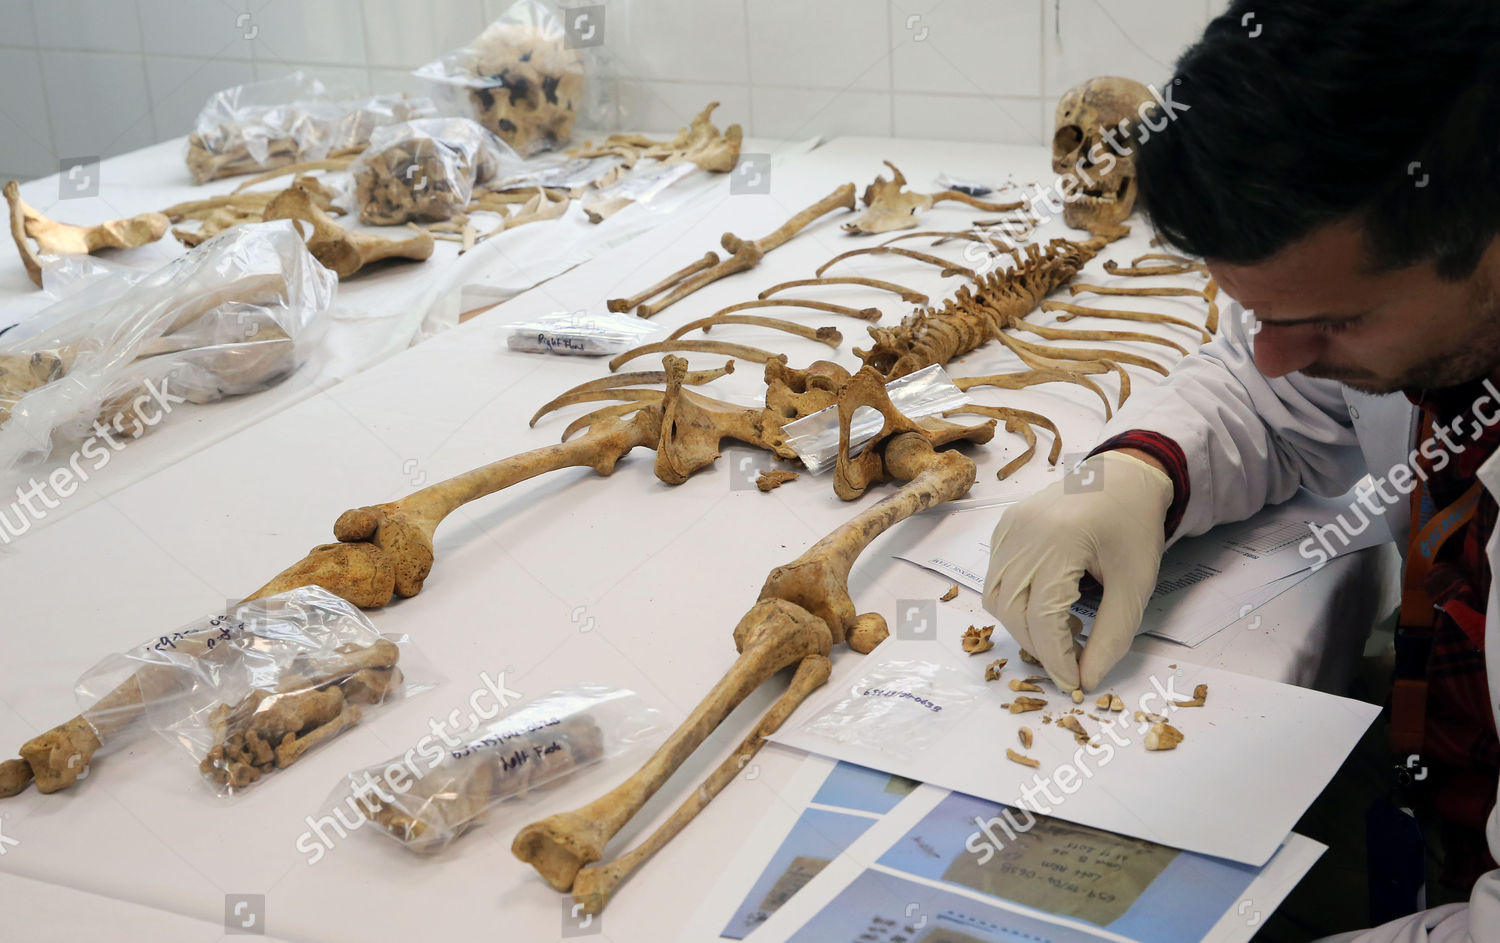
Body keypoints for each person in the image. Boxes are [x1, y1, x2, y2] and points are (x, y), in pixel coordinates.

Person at [982, 1, 1500, 939]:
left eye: (1335, 322)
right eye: (1260, 310)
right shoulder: (1390, 294)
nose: (1275, 353)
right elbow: (1261, 394)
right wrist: (1141, 470)